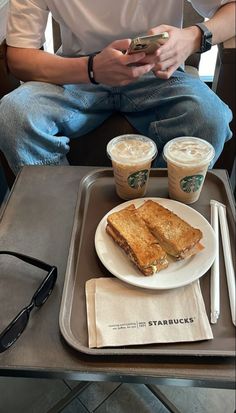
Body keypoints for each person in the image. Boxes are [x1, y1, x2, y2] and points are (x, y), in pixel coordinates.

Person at [0, 0, 235, 175]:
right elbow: (19, 56)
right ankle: (62, 208)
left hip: (156, 73)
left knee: (210, 117)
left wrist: (193, 37)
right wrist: (91, 69)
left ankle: (157, 209)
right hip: (77, 72)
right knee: (12, 115)